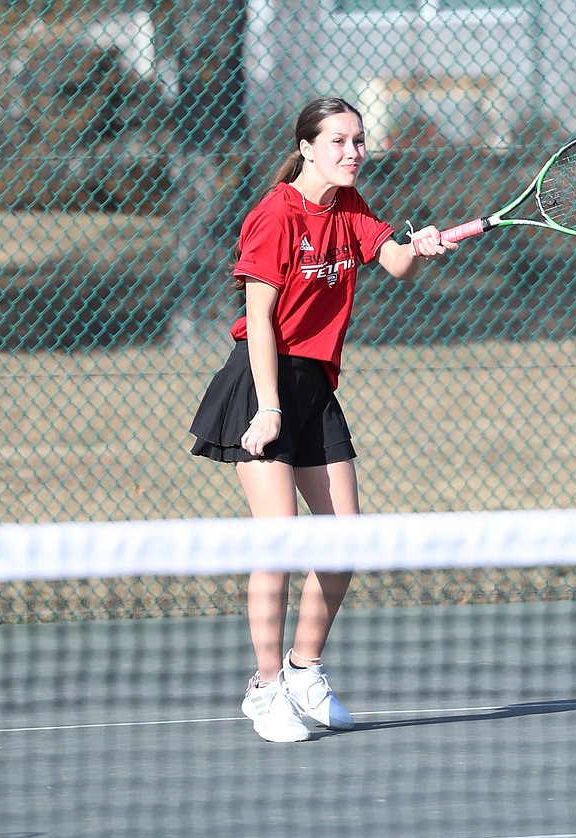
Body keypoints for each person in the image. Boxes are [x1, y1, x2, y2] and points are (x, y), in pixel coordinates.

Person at [189, 96, 456, 743]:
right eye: (338, 141)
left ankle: (303, 668)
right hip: (262, 381)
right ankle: (265, 687)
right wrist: (270, 406)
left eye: (359, 140)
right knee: (278, 539)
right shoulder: (274, 215)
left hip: (316, 387)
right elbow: (257, 319)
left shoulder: (352, 206)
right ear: (306, 146)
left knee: (344, 542)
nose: (353, 152)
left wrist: (419, 247)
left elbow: (392, 261)